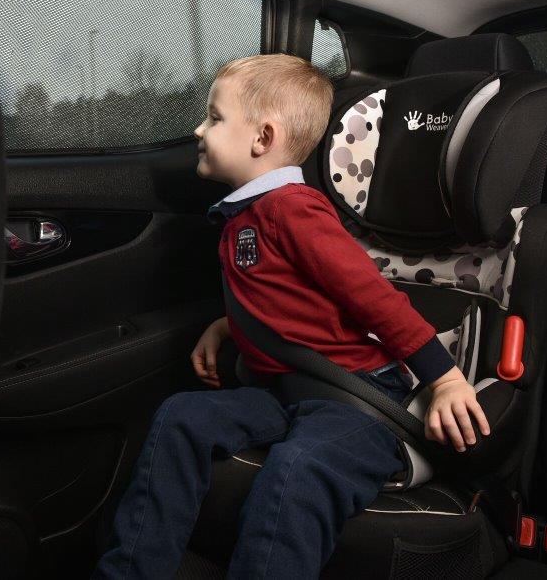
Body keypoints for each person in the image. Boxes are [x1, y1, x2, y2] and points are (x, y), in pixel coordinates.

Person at [92, 53, 489, 579]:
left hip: (355, 396)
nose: (199, 130)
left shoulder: (292, 209)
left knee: (300, 467)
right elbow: (283, 300)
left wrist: (445, 378)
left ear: (263, 138)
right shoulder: (245, 214)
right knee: (181, 416)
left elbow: (375, 298)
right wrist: (226, 326)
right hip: (281, 391)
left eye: (214, 118)